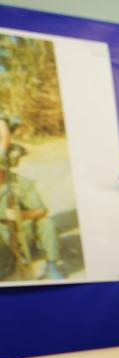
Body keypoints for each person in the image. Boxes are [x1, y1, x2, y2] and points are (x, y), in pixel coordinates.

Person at [0, 112, 62, 280]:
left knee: (47, 223)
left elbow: (42, 210)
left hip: (22, 232)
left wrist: (23, 215)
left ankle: (51, 265)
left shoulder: (20, 182)